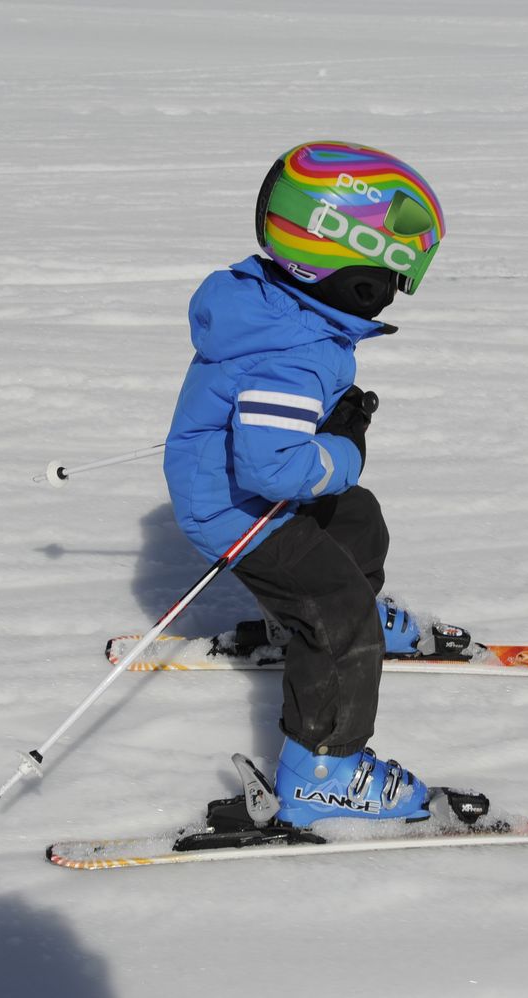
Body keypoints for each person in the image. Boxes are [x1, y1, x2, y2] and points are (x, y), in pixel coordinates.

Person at [163, 140, 450, 827]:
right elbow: (272, 469)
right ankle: (322, 770)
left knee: (356, 519)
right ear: (346, 261)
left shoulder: (282, 313)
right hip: (242, 513)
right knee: (337, 614)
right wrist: (345, 445)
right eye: (393, 271)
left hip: (249, 495)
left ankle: (312, 619)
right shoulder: (293, 355)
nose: (396, 286)